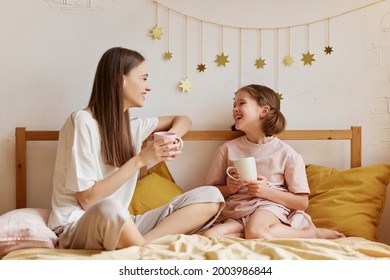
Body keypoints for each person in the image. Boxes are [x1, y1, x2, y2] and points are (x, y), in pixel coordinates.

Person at [48, 47, 224, 250]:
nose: (148, 87)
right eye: (144, 78)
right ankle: (142, 249)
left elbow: (183, 119)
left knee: (211, 196)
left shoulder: (132, 127)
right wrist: (140, 160)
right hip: (78, 224)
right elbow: (88, 200)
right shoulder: (82, 121)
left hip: (125, 223)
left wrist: (172, 137)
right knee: (112, 209)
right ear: (119, 80)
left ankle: (142, 246)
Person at [202, 84, 344, 239]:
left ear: (264, 111)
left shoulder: (287, 154)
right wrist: (229, 188)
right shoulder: (227, 149)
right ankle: (252, 233)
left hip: (268, 208)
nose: (235, 108)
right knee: (210, 235)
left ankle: (312, 234)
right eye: (234, 104)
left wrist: (266, 191)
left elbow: (302, 203)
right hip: (237, 211)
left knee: (256, 230)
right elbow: (209, 191)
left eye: (241, 103)